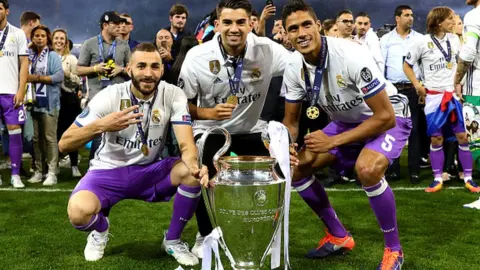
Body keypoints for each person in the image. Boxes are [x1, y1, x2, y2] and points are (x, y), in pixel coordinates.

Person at [281, 1, 411, 269]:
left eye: (307, 24)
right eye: (293, 29)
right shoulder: (293, 66)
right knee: (296, 169)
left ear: (318, 26)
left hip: (390, 115)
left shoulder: (350, 54)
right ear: (286, 34)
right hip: (346, 121)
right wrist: (287, 146)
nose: (302, 33)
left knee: (368, 170)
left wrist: (333, 141)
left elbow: (384, 117)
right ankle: (338, 236)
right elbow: (291, 121)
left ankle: (394, 251)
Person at [59, 43, 208, 266]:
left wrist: (195, 166)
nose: (148, 73)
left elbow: (186, 145)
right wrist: (102, 125)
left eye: (154, 66)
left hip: (150, 170)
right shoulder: (109, 96)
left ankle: (173, 240)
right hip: (108, 171)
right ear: (129, 69)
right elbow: (64, 143)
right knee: (79, 212)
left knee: (190, 172)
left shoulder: (173, 94)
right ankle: (101, 230)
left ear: (162, 70)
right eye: (141, 66)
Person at [178, 0, 291, 259]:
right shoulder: (197, 57)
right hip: (210, 129)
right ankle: (204, 234)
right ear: (217, 25)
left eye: (241, 22)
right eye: (227, 22)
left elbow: (299, 67)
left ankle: (265, 232)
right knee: (201, 171)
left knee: (279, 171)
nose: (234, 28)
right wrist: (207, 113)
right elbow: (182, 107)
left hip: (251, 128)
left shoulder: (268, 50)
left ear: (252, 23)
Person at [404, 7, 479, 193]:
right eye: (450, 19)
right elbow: (406, 65)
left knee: (463, 136)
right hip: (434, 98)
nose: (453, 22)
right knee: (436, 138)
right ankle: (437, 178)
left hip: (452, 95)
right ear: (439, 22)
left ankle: (468, 177)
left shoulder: (455, 40)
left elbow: (465, 60)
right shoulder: (421, 42)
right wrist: (416, 85)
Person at [380, 5, 427, 183]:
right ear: (397, 18)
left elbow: (421, 65)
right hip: (392, 89)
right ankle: (393, 169)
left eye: (412, 15)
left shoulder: (420, 39)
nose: (411, 18)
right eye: (406, 15)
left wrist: (421, 86)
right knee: (392, 129)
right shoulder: (385, 40)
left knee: (414, 129)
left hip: (412, 89)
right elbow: (380, 65)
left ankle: (414, 170)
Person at [77, 11, 131, 162]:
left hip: (119, 96)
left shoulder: (123, 45)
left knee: (120, 134)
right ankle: (93, 168)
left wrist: (121, 69)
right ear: (105, 25)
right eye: (116, 23)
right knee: (98, 133)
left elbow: (132, 68)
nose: (120, 26)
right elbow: (78, 69)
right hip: (97, 97)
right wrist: (96, 69)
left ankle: (117, 166)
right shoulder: (90, 43)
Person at [26, 25, 64, 186]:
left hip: (50, 103)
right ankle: (39, 171)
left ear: (47, 38)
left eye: (42, 36)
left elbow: (58, 76)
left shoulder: (53, 55)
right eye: (36, 36)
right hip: (32, 103)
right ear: (32, 38)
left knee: (50, 138)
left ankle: (52, 172)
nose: (39, 38)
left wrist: (37, 78)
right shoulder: (30, 55)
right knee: (36, 139)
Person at [0, 0, 29, 188]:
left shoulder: (17, 34)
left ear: (7, 11)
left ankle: (15, 174)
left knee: (15, 133)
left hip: (11, 93)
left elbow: (24, 63)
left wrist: (21, 89)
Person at [52, 28, 83, 178]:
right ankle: (54, 164)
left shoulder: (71, 59)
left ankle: (74, 165)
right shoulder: (47, 57)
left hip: (68, 100)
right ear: (52, 40)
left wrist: (66, 74)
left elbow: (78, 80)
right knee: (54, 133)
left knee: (71, 132)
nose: (59, 41)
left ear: (66, 42)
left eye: (62, 39)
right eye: (56, 38)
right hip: (52, 98)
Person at [455, 0, 480, 176]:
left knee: (476, 141)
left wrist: (457, 79)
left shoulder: (473, 16)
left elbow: (469, 51)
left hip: (477, 89)